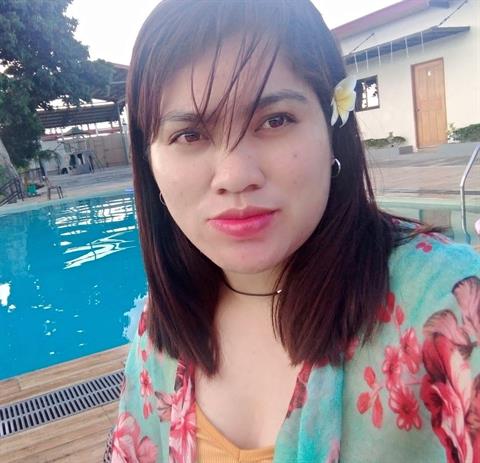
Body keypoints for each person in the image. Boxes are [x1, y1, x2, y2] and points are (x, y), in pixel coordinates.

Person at [108, 1, 480, 462]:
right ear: (150, 162)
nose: (235, 175)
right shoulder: (160, 327)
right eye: (190, 135)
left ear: (331, 128)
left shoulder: (453, 305)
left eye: (275, 120)